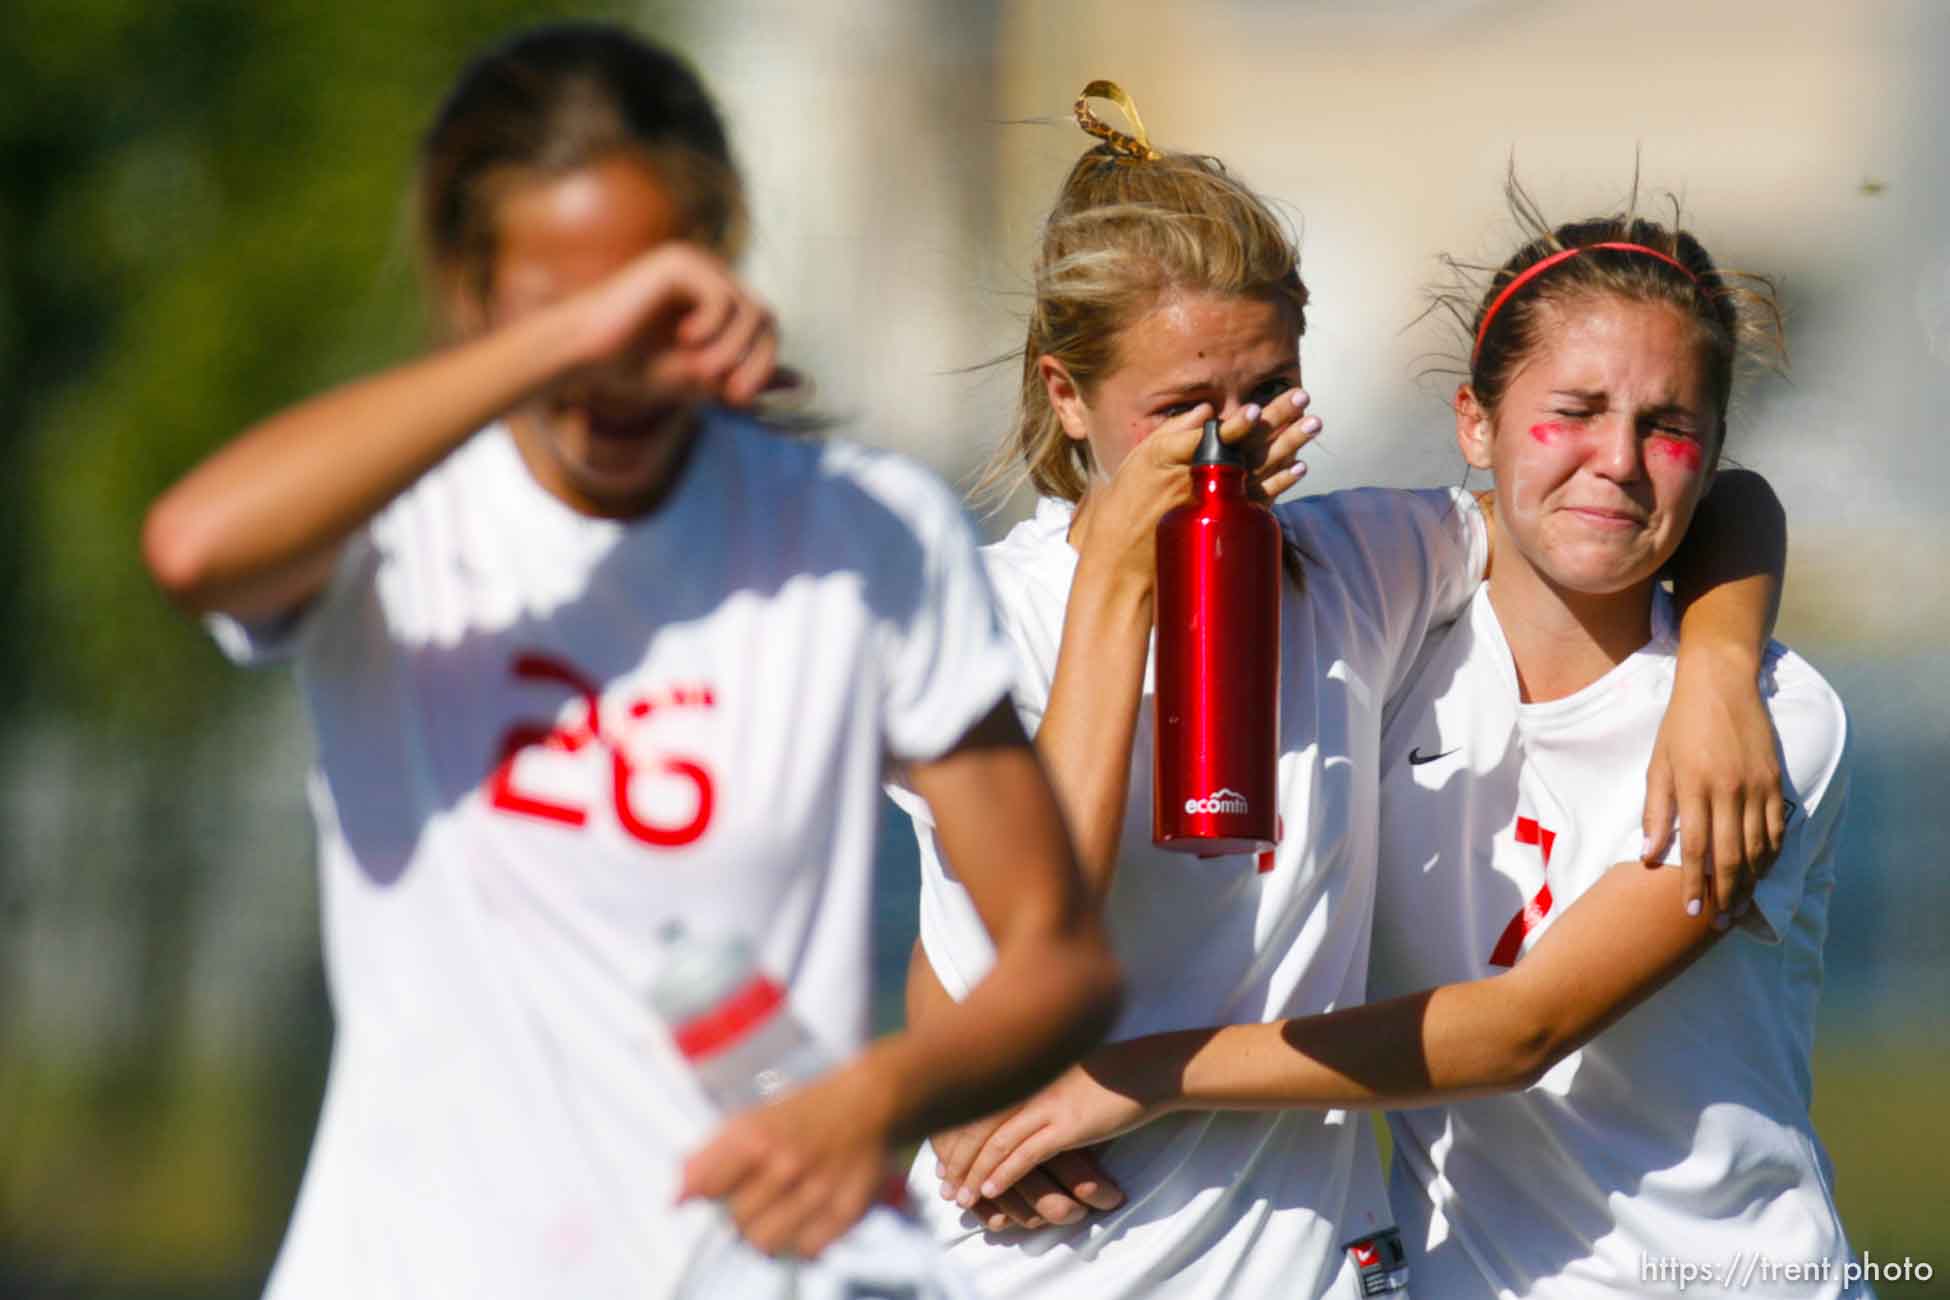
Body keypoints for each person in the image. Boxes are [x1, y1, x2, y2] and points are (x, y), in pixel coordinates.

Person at [140, 22, 1119, 1299]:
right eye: (559, 309)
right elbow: (193, 546)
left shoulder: (857, 532)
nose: (607, 364)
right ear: (470, 292)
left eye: (646, 292)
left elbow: (1061, 957)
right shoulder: (389, 522)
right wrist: (566, 338)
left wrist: (872, 1098)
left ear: (712, 271)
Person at [899, 88, 1791, 1300]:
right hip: (1044, 1258)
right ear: (1068, 397)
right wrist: (1119, 587)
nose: (1228, 446)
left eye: (1265, 392)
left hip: (1307, 1265)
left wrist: (1722, 671)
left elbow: (1627, 502)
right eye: (1177, 412)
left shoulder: (1355, 564)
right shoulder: (970, 615)